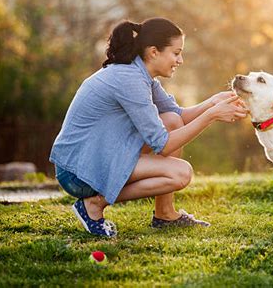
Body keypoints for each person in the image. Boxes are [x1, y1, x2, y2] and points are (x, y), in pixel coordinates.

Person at [49, 17, 247, 237]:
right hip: (78, 172)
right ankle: (94, 203)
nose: (180, 60)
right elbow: (162, 144)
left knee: (172, 120)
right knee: (180, 174)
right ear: (154, 52)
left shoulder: (142, 76)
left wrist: (213, 102)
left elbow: (179, 116)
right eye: (176, 53)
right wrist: (212, 115)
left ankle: (165, 214)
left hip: (101, 157)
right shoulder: (129, 79)